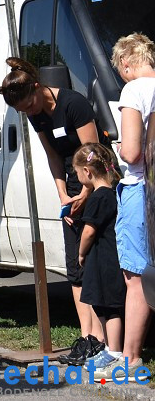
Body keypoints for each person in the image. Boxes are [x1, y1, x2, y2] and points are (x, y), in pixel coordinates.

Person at [0, 57, 103, 366]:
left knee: (94, 260)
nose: (28, 113)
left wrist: (84, 194)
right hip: (72, 186)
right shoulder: (36, 115)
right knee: (75, 266)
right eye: (22, 111)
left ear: (37, 87)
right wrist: (63, 195)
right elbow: (52, 155)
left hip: (95, 184)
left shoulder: (73, 104)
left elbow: (94, 153)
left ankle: (104, 340)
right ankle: (88, 337)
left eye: (28, 106)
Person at [101, 33, 155, 379]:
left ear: (125, 64)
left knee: (137, 275)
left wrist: (119, 146)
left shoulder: (134, 91)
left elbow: (133, 153)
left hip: (141, 188)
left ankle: (131, 358)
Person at [72, 144, 126, 379]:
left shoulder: (98, 197)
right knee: (102, 306)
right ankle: (108, 348)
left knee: (109, 307)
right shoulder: (112, 192)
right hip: (105, 259)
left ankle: (114, 351)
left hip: (104, 261)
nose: (77, 177)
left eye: (77, 173)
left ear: (88, 171)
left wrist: (81, 253)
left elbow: (89, 232)